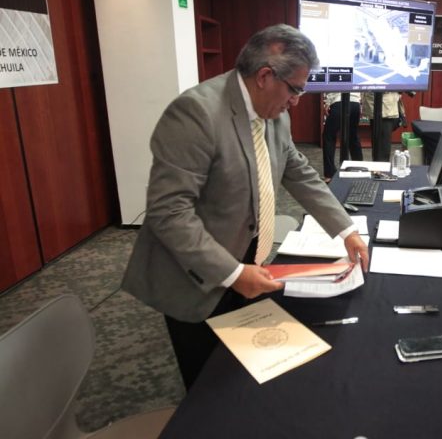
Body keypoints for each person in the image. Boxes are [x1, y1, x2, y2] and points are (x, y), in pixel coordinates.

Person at [122, 24, 369, 390]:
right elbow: (168, 213)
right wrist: (233, 273)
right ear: (265, 76)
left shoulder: (275, 114)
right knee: (208, 386)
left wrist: (346, 229)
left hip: (247, 262)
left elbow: (297, 171)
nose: (297, 102)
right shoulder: (196, 114)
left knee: (242, 375)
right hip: (194, 277)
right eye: (296, 89)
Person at [322, 92, 363, 182]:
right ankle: (360, 169)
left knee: (329, 137)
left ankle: (329, 174)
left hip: (338, 102)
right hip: (355, 103)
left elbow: (332, 86)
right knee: (353, 136)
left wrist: (328, 102)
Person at [361, 91, 402, 161]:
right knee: (377, 145)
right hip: (376, 106)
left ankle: (381, 168)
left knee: (382, 146)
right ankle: (378, 168)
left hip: (384, 108)